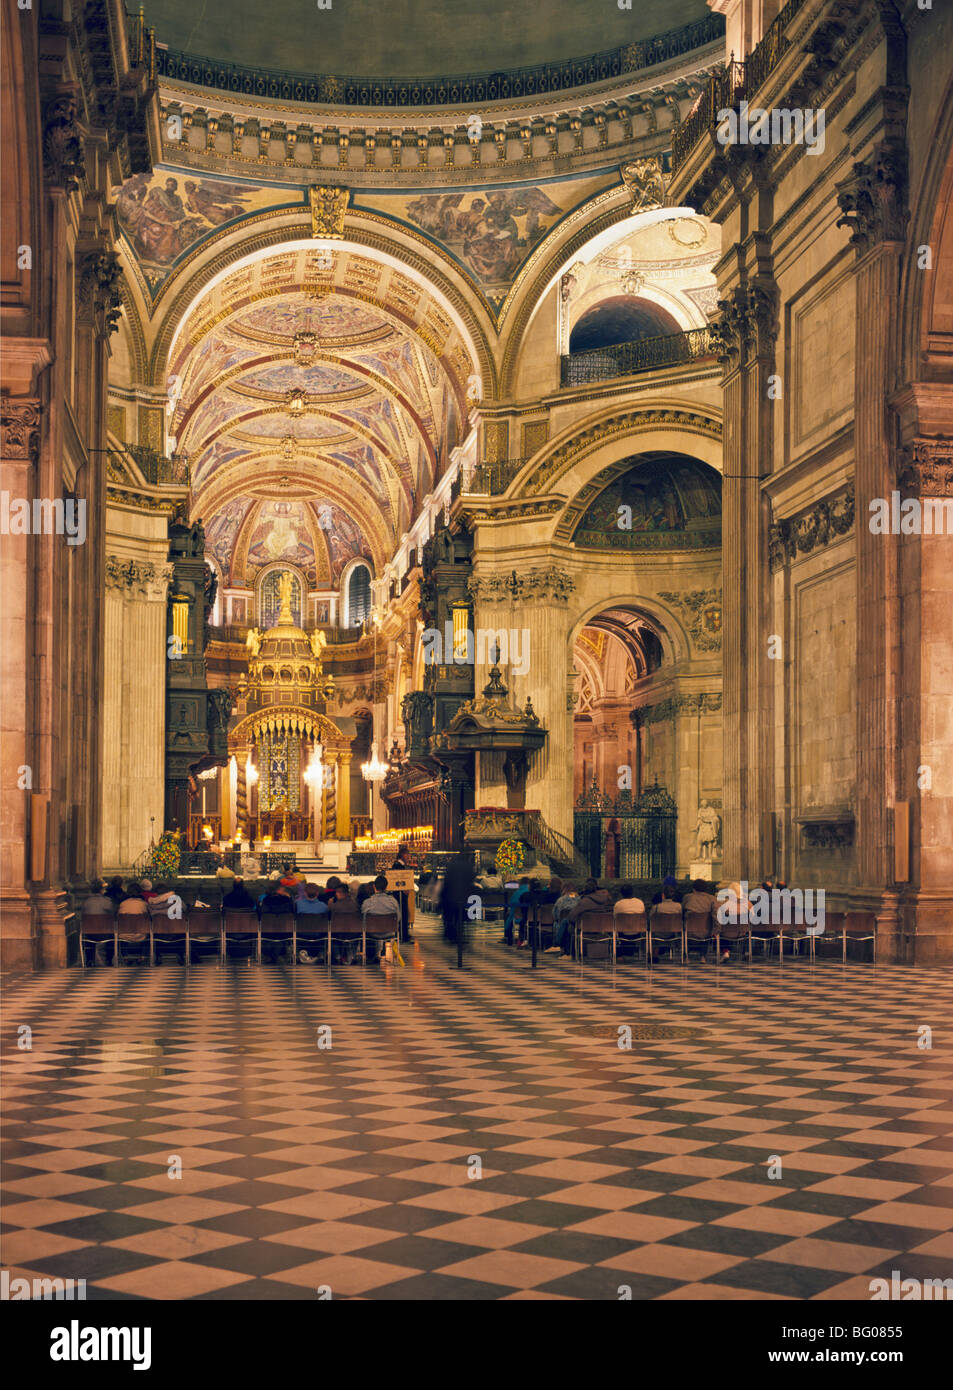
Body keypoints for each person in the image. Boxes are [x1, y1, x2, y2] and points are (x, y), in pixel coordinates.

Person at [361, 874, 400, 963]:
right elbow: (398, 918)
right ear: (386, 887)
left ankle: (370, 956)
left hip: (372, 932)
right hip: (389, 932)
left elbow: (363, 919)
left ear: (374, 886)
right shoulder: (393, 902)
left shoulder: (367, 902)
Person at [442, 850, 476, 944]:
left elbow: (447, 881)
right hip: (464, 896)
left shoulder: (451, 866)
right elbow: (471, 880)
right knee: (461, 916)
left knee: (453, 915)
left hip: (451, 896)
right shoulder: (469, 867)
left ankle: (452, 934)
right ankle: (460, 935)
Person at [81, 880, 116, 965]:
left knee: (88, 937)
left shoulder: (86, 902)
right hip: (105, 933)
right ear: (102, 889)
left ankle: (89, 959)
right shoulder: (106, 901)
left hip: (89, 933)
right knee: (113, 936)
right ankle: (109, 959)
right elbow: (112, 913)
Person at [296, 882, 331, 964]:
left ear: (305, 893)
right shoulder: (323, 906)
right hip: (318, 933)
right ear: (317, 893)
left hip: (302, 933)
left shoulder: (298, 904)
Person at [259, 883, 294, 962]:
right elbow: (292, 913)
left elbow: (261, 914)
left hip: (267, 932)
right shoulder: (287, 900)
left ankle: (269, 955)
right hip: (284, 932)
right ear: (278, 890)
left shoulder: (266, 900)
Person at [116, 882, 149, 963]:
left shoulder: (123, 904)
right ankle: (143, 956)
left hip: (124, 935)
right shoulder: (144, 904)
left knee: (122, 932)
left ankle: (125, 956)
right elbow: (149, 918)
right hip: (141, 935)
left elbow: (117, 917)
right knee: (149, 932)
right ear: (140, 892)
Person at [390, 843, 415, 943]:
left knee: (404, 913)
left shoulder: (401, 865)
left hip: (402, 893)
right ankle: (402, 935)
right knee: (402, 914)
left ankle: (404, 934)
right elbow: (397, 879)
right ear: (402, 855)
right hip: (399, 893)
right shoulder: (397, 865)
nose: (408, 857)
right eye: (407, 855)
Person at [546, 881, 578, 955]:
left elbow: (555, 914)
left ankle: (558, 945)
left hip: (562, 923)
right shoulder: (579, 899)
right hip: (577, 924)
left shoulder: (561, 900)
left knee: (557, 923)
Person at [503, 876, 531, 946]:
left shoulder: (516, 893)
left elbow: (511, 905)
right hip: (529, 918)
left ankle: (509, 937)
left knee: (508, 915)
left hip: (516, 917)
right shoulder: (530, 893)